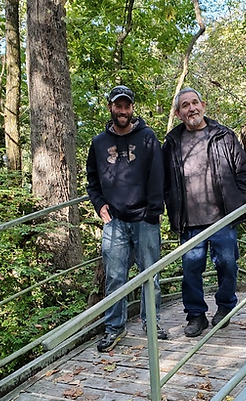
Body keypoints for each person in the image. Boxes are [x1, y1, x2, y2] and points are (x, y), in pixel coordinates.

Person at [163, 87, 246, 337]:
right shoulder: (172, 143)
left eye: (195, 103)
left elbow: (244, 171)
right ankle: (196, 316)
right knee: (191, 269)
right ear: (178, 113)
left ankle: (225, 307)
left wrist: (238, 198)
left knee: (227, 263)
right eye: (185, 105)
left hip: (222, 217)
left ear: (203, 105)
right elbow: (164, 182)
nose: (191, 108)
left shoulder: (223, 135)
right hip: (189, 221)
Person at [86, 85, 168, 352]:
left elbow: (158, 176)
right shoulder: (99, 143)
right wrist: (99, 205)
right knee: (115, 277)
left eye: (127, 106)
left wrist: (153, 212)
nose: (123, 111)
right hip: (115, 221)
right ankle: (114, 328)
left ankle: (151, 322)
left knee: (150, 276)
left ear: (132, 108)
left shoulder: (147, 137)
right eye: (118, 106)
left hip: (145, 219)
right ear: (110, 107)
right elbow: (92, 181)